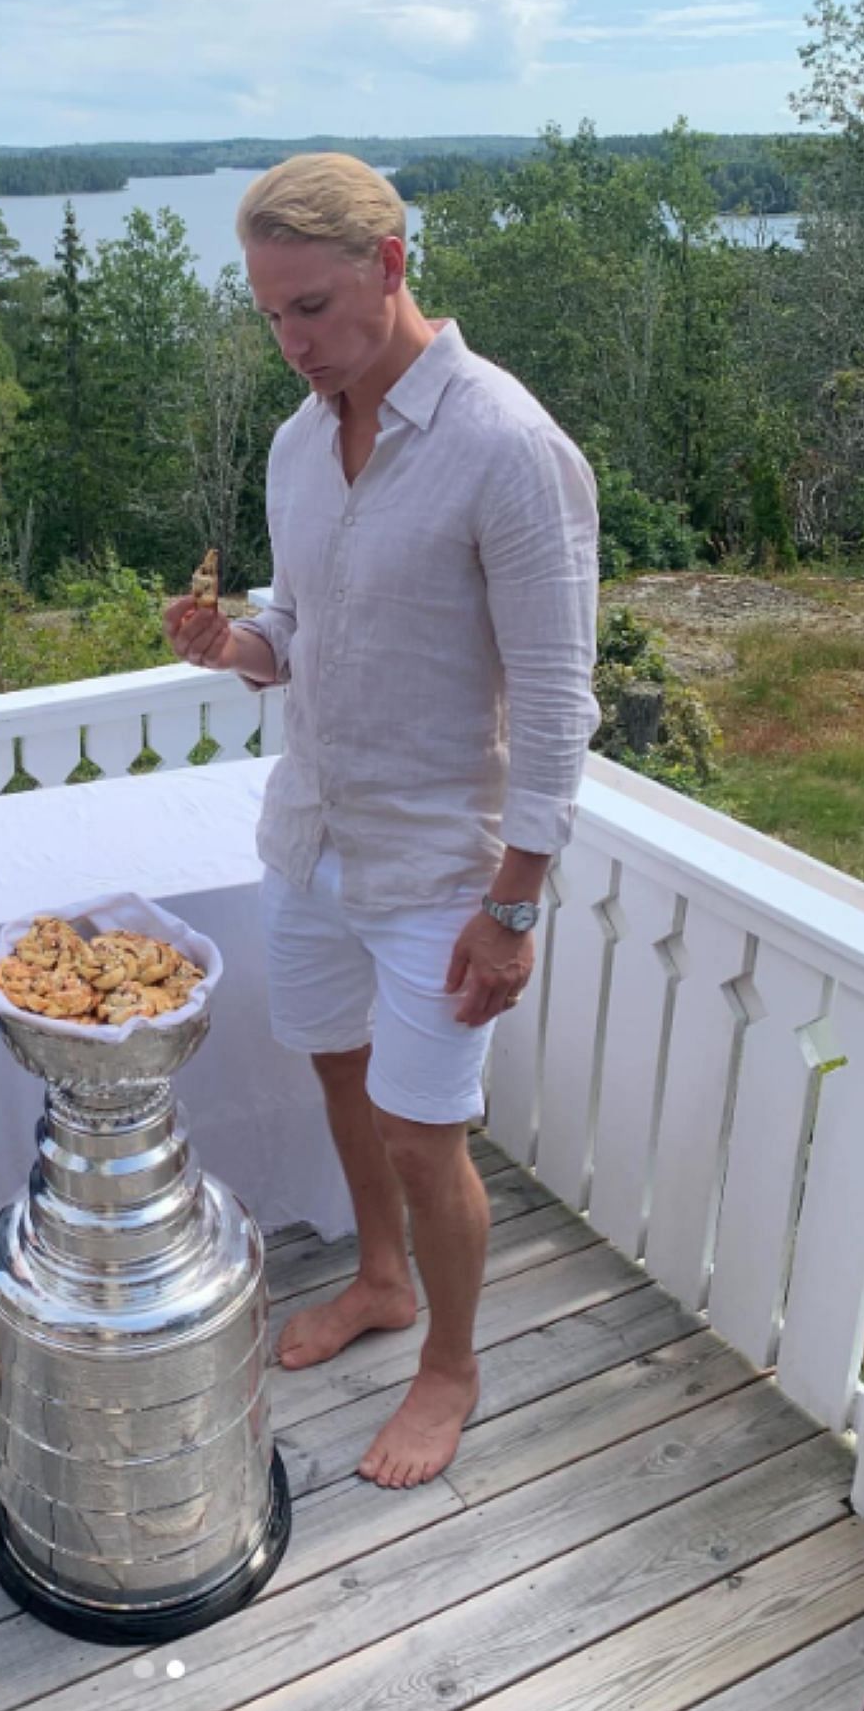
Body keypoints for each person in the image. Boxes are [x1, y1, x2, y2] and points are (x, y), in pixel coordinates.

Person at [167, 154, 599, 1490]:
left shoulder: (506, 446)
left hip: (441, 867)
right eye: (271, 313)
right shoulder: (306, 442)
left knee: (427, 1128)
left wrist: (516, 902)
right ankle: (381, 1278)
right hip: (310, 835)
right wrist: (232, 643)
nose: (291, 342)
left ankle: (452, 1367)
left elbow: (557, 692)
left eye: (310, 306)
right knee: (341, 1076)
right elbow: (299, 629)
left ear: (392, 266)